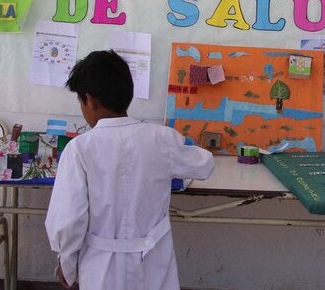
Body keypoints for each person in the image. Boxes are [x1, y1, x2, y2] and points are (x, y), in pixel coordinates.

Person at [45, 50, 214, 289]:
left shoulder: (79, 149)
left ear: (90, 100)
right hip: (152, 261)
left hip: (101, 267)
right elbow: (204, 165)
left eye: (80, 101)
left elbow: (68, 220)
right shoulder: (161, 139)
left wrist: (67, 263)